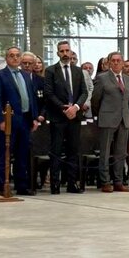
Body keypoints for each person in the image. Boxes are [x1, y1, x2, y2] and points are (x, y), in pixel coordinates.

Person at [0, 46, 39, 196]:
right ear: (6, 58)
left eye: (18, 55)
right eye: (12, 55)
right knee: (6, 153)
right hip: (9, 120)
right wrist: (1, 120)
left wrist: (34, 118)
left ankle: (21, 185)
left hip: (25, 120)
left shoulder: (25, 75)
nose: (15, 58)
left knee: (22, 154)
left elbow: (32, 98)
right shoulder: (0, 75)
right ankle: (3, 185)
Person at [43, 40, 87, 194]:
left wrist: (75, 108)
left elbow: (84, 92)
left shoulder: (77, 71)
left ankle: (71, 183)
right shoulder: (50, 71)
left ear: (71, 52)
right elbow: (48, 93)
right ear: (57, 53)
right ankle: (55, 184)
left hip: (74, 117)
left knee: (73, 151)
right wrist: (64, 108)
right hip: (58, 117)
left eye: (67, 50)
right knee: (56, 150)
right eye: (62, 51)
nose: (65, 54)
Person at [91, 51, 129, 193]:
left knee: (121, 152)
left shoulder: (127, 79)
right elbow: (95, 100)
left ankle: (118, 181)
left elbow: (127, 99)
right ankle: (105, 181)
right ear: (109, 63)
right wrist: (101, 114)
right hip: (107, 118)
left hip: (123, 119)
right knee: (105, 151)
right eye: (113, 60)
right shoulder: (102, 78)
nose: (116, 63)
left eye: (118, 60)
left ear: (122, 63)